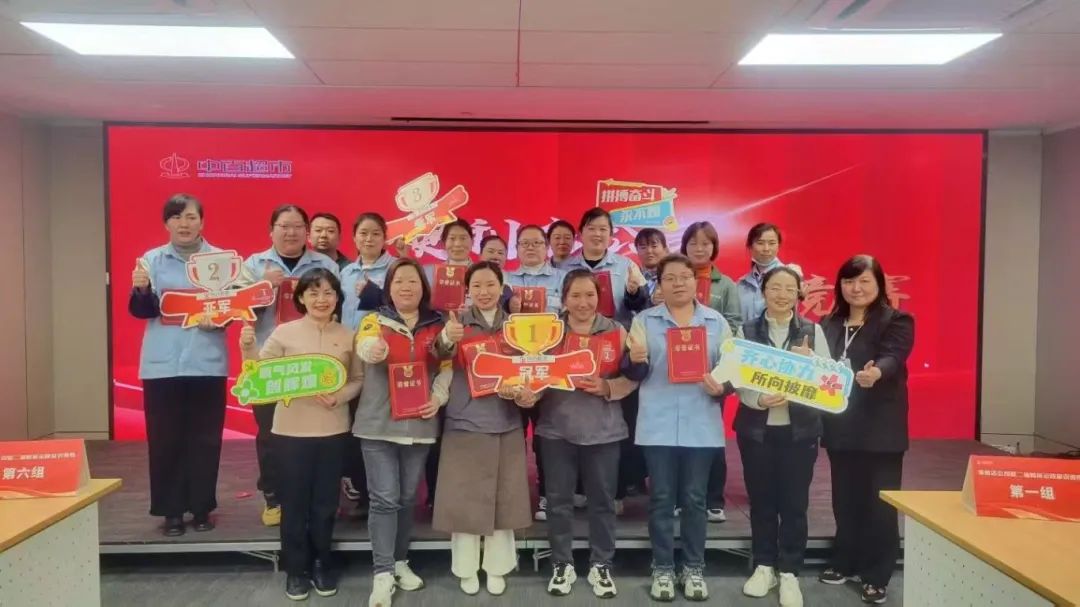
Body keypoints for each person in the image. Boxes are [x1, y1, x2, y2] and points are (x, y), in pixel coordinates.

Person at [239, 268, 363, 601]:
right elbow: (259, 375)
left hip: (333, 430)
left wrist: (340, 397)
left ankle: (322, 563)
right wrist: (248, 348)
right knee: (293, 503)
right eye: (313, 293)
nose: (321, 299)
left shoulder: (348, 335)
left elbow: (357, 380)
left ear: (337, 298)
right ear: (301, 298)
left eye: (328, 293)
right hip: (290, 432)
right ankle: (296, 569)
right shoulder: (284, 332)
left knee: (325, 503)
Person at [623, 254, 733, 602]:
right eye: (669, 278)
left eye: (684, 276)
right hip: (658, 423)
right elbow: (634, 372)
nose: (678, 283)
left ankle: (694, 567)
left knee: (695, 499)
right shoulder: (644, 321)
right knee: (661, 498)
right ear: (659, 284)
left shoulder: (716, 322)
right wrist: (634, 361)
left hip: (701, 422)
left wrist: (722, 387)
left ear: (695, 281)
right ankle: (663, 567)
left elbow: (731, 370)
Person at [352, 257, 452, 607]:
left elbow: (446, 367)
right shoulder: (373, 321)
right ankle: (382, 573)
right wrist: (374, 349)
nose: (406, 287)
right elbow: (364, 347)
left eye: (412, 281)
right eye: (399, 281)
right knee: (384, 499)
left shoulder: (438, 324)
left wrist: (437, 398)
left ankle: (399, 562)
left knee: (407, 498)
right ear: (389, 288)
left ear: (423, 287)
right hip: (377, 424)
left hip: (419, 422)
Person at [128, 193, 229, 537]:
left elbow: (232, 307)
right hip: (163, 366)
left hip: (207, 363)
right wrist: (142, 290)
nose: (183, 224)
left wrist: (219, 319)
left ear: (202, 221)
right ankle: (171, 511)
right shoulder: (151, 260)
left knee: (205, 440)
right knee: (165, 441)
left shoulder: (220, 260)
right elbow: (143, 311)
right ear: (166, 223)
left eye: (190, 217)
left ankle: (201, 507)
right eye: (176, 217)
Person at [533, 269, 637, 598]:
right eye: (575, 295)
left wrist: (607, 387)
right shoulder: (549, 333)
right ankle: (561, 563)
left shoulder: (617, 331)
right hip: (556, 430)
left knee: (603, 502)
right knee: (559, 502)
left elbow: (634, 376)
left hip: (604, 431)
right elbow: (533, 371)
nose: (583, 302)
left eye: (589, 295)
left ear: (599, 297)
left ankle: (601, 563)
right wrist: (530, 389)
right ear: (564, 299)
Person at [817, 255, 914, 605]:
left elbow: (894, 356)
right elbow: (819, 363)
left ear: (879, 284)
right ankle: (845, 560)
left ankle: (877, 573)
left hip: (880, 428)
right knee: (845, 499)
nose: (855, 288)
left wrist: (877, 372)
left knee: (880, 504)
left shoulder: (895, 320)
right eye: (848, 281)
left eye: (864, 281)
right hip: (841, 423)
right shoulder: (828, 322)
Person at [433, 261, 533, 596]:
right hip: (465, 419)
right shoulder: (457, 323)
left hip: (506, 418)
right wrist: (447, 338)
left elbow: (531, 368)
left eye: (490, 284)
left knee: (504, 499)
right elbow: (437, 355)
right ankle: (465, 568)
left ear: (502, 287)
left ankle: (497, 567)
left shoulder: (517, 325)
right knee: (464, 498)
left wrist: (526, 392)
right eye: (476, 286)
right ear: (467, 290)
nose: (484, 292)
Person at [735, 266, 830, 607]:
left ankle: (789, 571)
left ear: (799, 293)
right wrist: (758, 399)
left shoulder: (812, 331)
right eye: (775, 287)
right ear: (763, 292)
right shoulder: (747, 330)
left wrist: (813, 362)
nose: (782, 294)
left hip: (799, 432)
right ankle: (764, 566)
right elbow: (737, 377)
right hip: (757, 431)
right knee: (761, 501)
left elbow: (828, 383)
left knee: (794, 504)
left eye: (790, 288)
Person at [243, 204, 340, 527]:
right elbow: (238, 311)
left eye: (298, 226)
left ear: (306, 232)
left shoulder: (325, 265)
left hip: (314, 363)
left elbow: (337, 311)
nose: (291, 232)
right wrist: (263, 287)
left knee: (314, 435)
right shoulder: (254, 265)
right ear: (271, 230)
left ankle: (312, 496)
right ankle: (273, 497)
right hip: (269, 363)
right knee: (270, 434)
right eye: (284, 226)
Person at [504, 224, 565, 521]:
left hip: (548, 368)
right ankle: (512, 497)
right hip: (511, 368)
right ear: (516, 249)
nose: (530, 248)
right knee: (512, 435)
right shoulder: (503, 280)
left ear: (546, 247)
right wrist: (509, 308)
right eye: (524, 243)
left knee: (547, 437)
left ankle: (547, 496)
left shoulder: (562, 279)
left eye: (537, 243)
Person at [681, 220, 741, 524]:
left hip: (711, 373)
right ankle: (681, 498)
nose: (699, 248)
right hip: (678, 372)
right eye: (693, 243)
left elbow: (734, 324)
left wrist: (721, 372)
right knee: (679, 439)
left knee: (711, 436)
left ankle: (714, 499)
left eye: (705, 243)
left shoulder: (726, 284)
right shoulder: (673, 279)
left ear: (714, 247)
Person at [338, 212, 396, 518]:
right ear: (354, 237)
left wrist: (375, 295)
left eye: (375, 233)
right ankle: (359, 489)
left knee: (376, 425)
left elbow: (404, 307)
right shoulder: (345, 272)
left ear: (385, 237)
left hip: (383, 358)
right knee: (352, 425)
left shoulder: (396, 268)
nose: (369, 239)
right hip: (350, 358)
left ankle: (383, 493)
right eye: (363, 233)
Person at [421, 218, 475, 511]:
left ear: (471, 241)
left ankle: (466, 490)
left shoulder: (481, 273)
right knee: (437, 425)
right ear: (443, 243)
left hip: (472, 358)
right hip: (438, 351)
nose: (457, 243)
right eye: (451, 238)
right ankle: (434, 493)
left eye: (463, 238)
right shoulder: (430, 274)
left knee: (466, 428)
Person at [560, 208, 649, 329]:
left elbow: (644, 305)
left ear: (611, 236)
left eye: (603, 229)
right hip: (575, 334)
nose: (597, 234)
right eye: (591, 228)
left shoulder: (628, 265)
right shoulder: (563, 268)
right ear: (581, 234)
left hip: (617, 333)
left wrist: (635, 293)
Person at [737, 223, 803, 324]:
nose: (766, 249)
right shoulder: (741, 284)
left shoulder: (791, 275)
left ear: (778, 246)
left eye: (772, 243)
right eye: (760, 243)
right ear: (750, 246)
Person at [634, 227, 669, 304]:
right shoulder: (632, 278)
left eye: (654, 246)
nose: (649, 251)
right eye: (643, 247)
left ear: (665, 249)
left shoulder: (674, 276)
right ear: (637, 251)